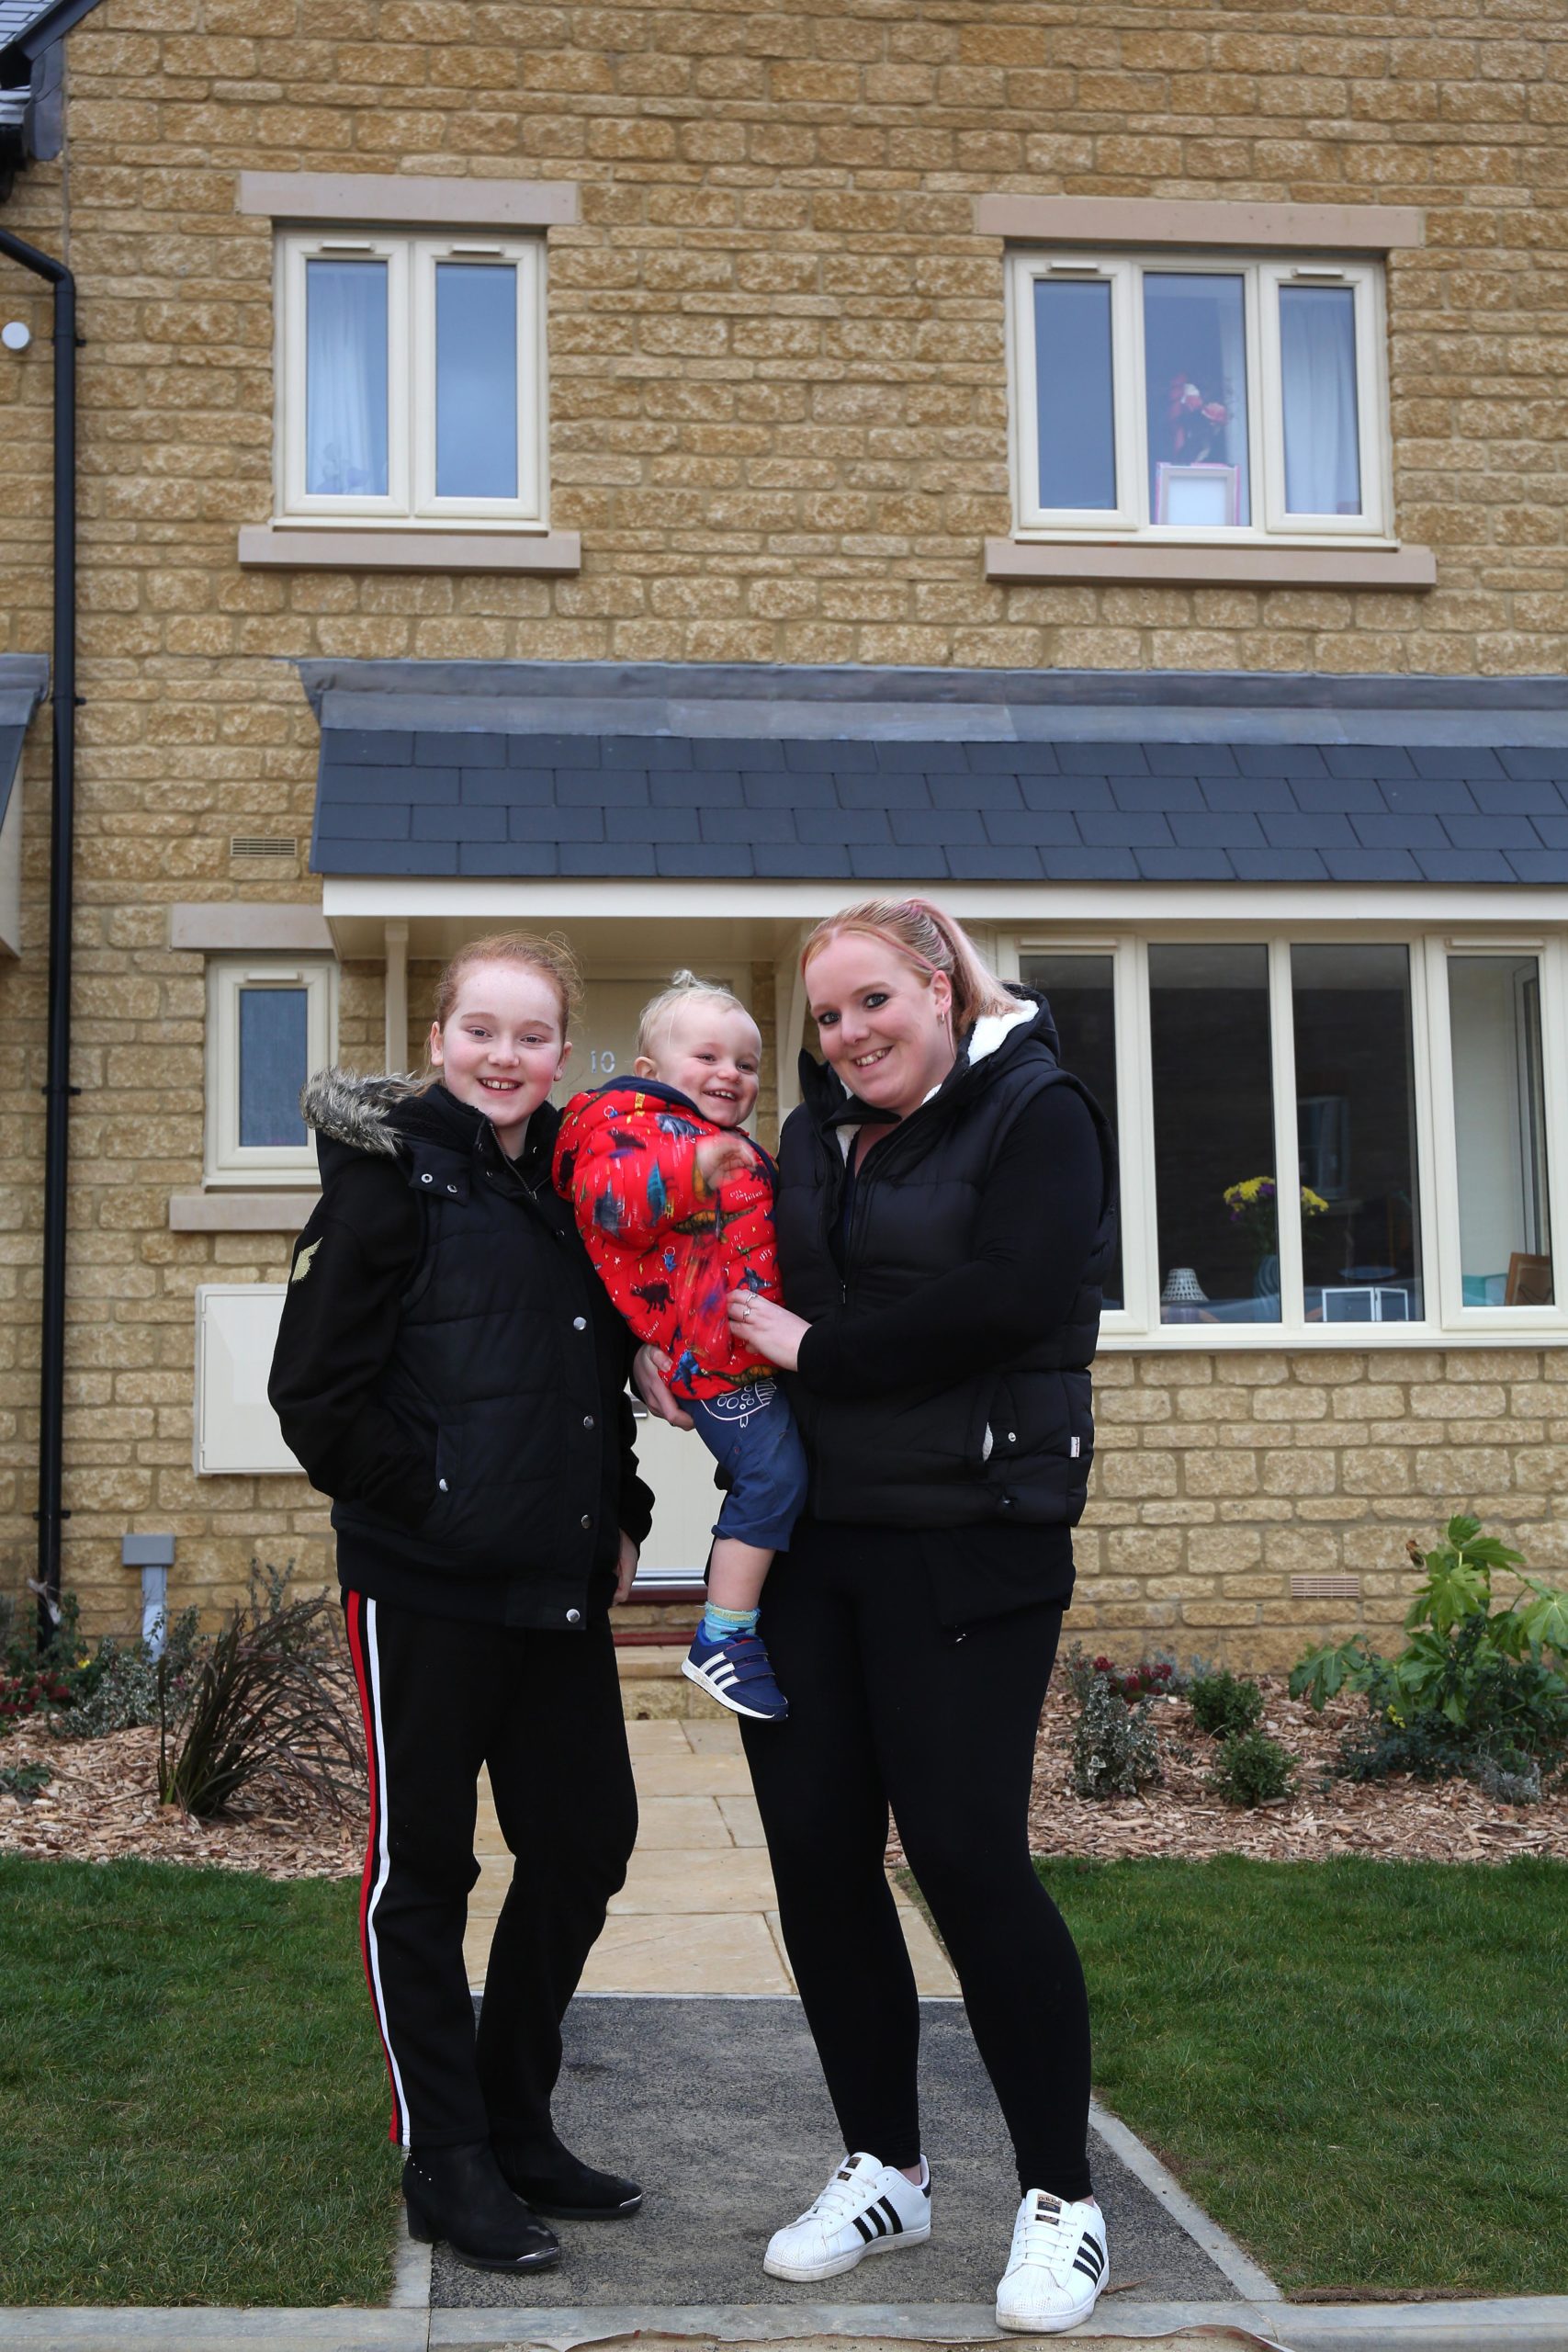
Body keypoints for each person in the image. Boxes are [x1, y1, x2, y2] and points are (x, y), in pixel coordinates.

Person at [636, 899, 1118, 2335]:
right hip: (815, 1555)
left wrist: (818, 1351)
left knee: (966, 1861)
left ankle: (1060, 2199)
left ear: (937, 985)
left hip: (971, 1545)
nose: (845, 1038)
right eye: (824, 1019)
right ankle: (885, 2169)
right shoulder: (805, 1134)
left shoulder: (1035, 1107)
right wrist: (679, 1355)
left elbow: (1018, 1293)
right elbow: (735, 1279)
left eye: (870, 1004)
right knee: (819, 1866)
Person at [269, 933, 654, 2277]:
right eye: (479, 1030)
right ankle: (445, 2160)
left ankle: (510, 2114)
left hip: (554, 1595)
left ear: (564, 1050)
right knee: (421, 1877)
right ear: (438, 1037)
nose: (504, 1056)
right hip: (425, 1593)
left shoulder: (567, 1186)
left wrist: (620, 1516)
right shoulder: (385, 1183)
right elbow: (312, 1397)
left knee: (585, 1842)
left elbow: (585, 1377)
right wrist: (431, 1506)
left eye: (531, 1034)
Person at [554, 972, 807, 1724]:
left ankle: (736, 1617)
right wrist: (688, 1171)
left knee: (780, 1472)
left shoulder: (713, 1140)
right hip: (710, 1361)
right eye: (707, 1057)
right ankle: (723, 1635)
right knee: (775, 1472)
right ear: (651, 1070)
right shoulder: (627, 1129)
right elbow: (610, 1201)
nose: (729, 1074)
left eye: (746, 1063)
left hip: (738, 1349)